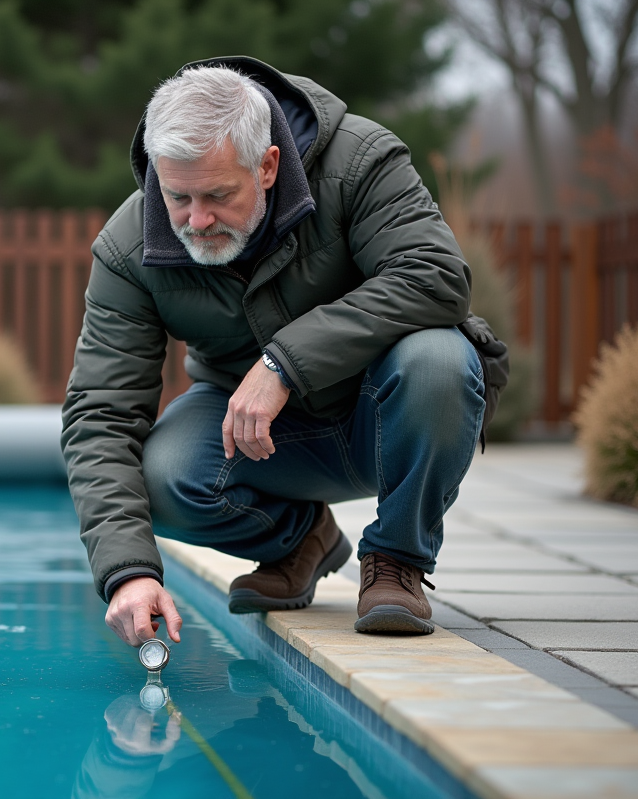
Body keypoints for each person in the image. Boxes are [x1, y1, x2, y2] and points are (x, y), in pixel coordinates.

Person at [61, 57, 494, 646]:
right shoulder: (127, 245)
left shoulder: (361, 160)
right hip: (262, 440)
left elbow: (434, 276)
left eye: (217, 194)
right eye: (177, 196)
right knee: (161, 476)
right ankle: (301, 540)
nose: (195, 220)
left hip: (388, 412)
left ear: (268, 165)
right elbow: (100, 416)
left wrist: (284, 362)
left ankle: (396, 561)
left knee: (441, 360)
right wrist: (127, 573)